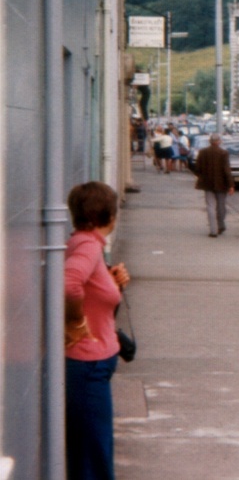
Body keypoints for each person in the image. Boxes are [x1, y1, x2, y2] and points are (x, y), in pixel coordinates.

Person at [64, 181, 131, 480]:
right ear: (109, 216)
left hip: (91, 365)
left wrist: (111, 282)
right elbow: (69, 284)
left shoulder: (84, 243)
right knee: (94, 455)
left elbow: (87, 290)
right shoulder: (89, 247)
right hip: (87, 365)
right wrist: (76, 323)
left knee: (92, 449)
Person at [194, 133, 235, 237]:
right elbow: (227, 170)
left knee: (210, 206)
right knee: (221, 206)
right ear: (219, 141)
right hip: (221, 184)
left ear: (210, 141)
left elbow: (197, 168)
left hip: (207, 184)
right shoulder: (223, 153)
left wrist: (202, 177)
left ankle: (213, 230)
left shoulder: (202, 152)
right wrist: (231, 185)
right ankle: (220, 225)